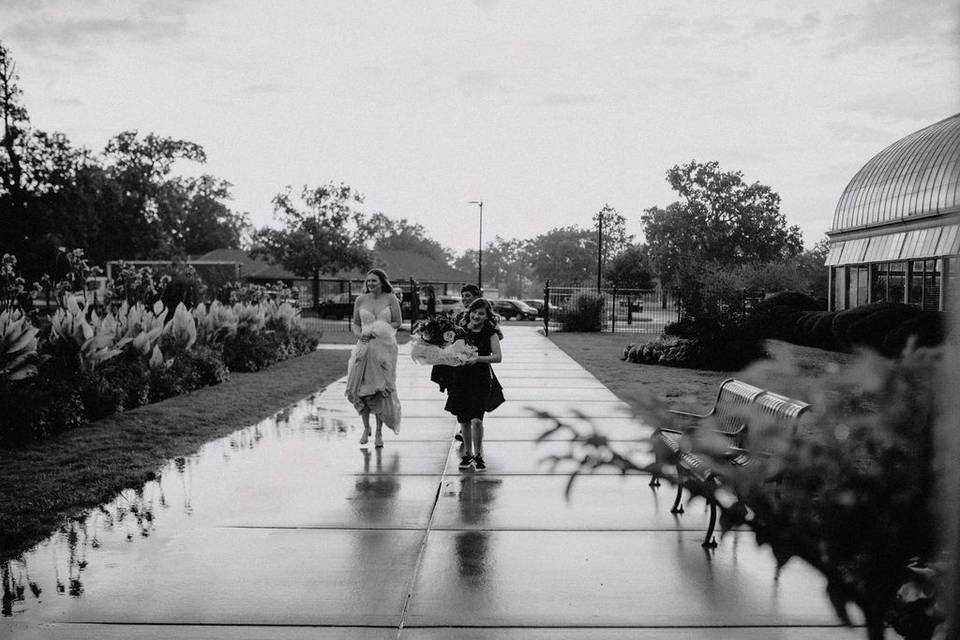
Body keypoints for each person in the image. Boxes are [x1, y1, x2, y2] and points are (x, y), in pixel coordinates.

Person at [444, 297, 504, 472]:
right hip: (460, 378)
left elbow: (498, 357)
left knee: (476, 420)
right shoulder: (459, 331)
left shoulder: (490, 333)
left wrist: (477, 359)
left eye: (481, 314)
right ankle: (468, 454)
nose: (476, 316)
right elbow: (449, 351)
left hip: (481, 378)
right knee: (463, 419)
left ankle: (478, 455)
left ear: (487, 316)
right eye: (474, 312)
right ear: (469, 312)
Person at [346, 269, 403, 447]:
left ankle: (379, 432)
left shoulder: (390, 298)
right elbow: (355, 324)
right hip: (364, 348)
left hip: (385, 348)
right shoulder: (361, 300)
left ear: (382, 282)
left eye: (374, 281)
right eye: (368, 281)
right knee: (361, 388)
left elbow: (397, 322)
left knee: (380, 390)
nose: (370, 284)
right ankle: (365, 427)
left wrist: (379, 329)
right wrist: (360, 335)